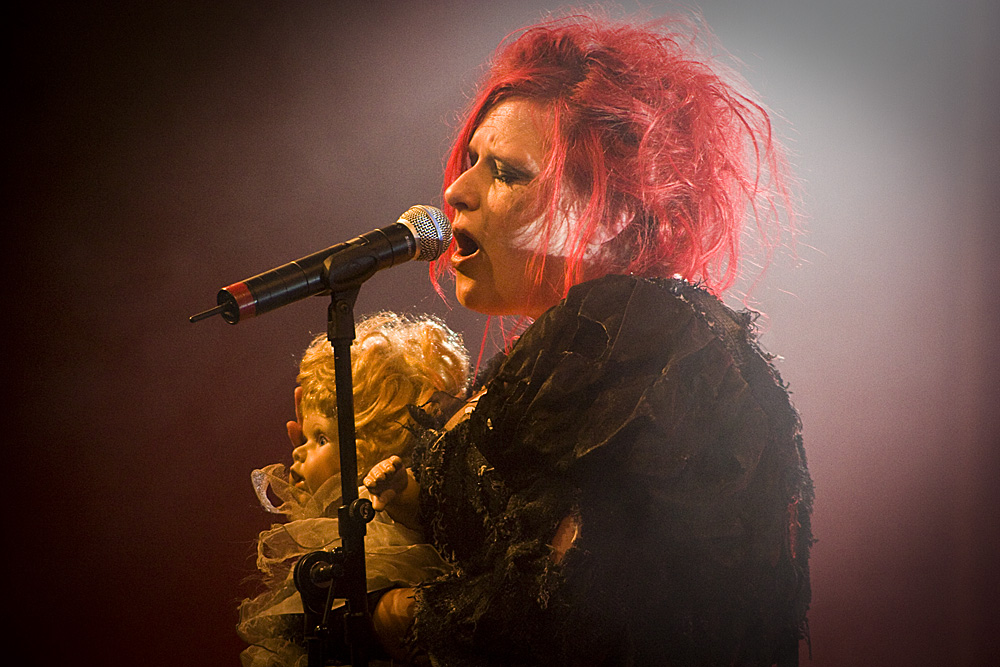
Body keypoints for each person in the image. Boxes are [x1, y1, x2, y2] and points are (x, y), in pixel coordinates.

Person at [364, 11, 814, 667]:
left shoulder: (651, 339)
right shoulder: (563, 358)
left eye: (507, 172)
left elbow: (563, 610)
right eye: (471, 161)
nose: (456, 190)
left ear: (614, 215)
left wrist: (387, 615)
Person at [237, 312, 470, 667]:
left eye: (320, 438)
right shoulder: (323, 518)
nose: (298, 451)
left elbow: (418, 507)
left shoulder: (383, 512)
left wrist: (397, 484)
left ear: (360, 456)